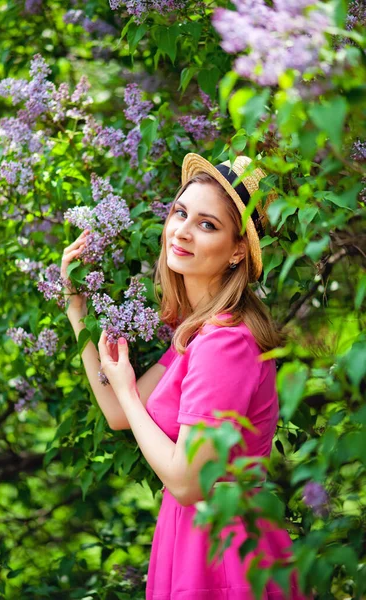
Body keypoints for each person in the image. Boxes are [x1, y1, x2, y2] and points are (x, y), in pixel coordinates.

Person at [61, 153, 311, 600]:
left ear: (238, 250)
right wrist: (76, 312)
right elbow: (119, 412)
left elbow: (188, 481)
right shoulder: (193, 333)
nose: (183, 230)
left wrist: (127, 393)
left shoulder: (226, 343)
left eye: (207, 224)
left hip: (227, 544)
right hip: (194, 534)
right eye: (181, 213)